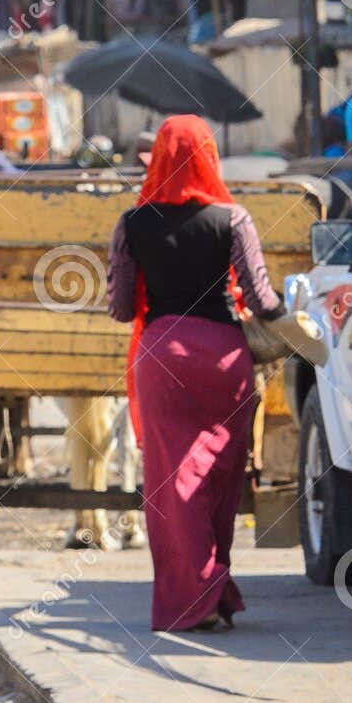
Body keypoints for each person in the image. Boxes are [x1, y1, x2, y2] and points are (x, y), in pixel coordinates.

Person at [106, 114, 282, 633]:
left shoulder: (131, 224)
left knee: (171, 483)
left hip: (161, 359)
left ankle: (195, 596)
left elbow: (119, 309)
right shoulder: (234, 219)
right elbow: (261, 298)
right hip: (225, 361)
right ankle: (213, 588)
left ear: (157, 156)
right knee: (218, 479)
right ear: (210, 154)